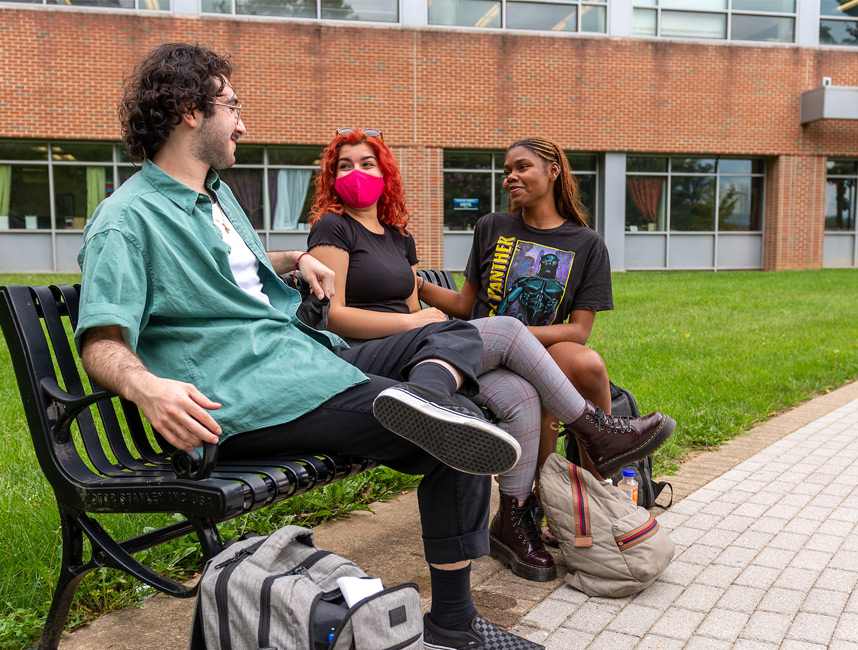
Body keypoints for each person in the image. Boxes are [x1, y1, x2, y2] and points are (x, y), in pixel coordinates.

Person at [74, 43, 542, 650]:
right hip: (247, 397)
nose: (241, 123)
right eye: (231, 107)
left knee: (449, 329)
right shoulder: (125, 219)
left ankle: (425, 400)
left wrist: (293, 260)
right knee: (465, 426)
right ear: (190, 110)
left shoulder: (214, 195)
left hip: (305, 359)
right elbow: (101, 341)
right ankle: (454, 622)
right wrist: (146, 386)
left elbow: (218, 270)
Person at [304, 129, 675, 582]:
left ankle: (512, 520)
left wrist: (422, 321)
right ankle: (597, 430)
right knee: (508, 329)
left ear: (385, 173)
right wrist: (418, 325)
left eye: (367, 163)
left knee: (520, 394)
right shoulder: (332, 227)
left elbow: (411, 303)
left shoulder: (398, 236)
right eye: (345, 165)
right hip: (370, 357)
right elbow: (335, 315)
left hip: (418, 347)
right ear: (330, 174)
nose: (356, 173)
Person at [419, 137, 630, 472]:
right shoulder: (492, 227)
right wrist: (417, 285)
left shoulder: (587, 244)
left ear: (553, 171)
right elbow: (464, 304)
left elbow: (579, 330)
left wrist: (518, 336)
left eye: (522, 167)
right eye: (507, 171)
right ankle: (536, 492)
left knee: (589, 366)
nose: (510, 177)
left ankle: (597, 478)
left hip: (544, 348)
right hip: (483, 348)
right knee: (539, 391)